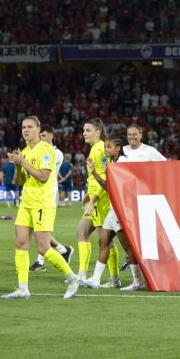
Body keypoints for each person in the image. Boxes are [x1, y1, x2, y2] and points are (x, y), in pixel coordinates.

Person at [1, 116, 96, 299]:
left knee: (44, 247)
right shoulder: (25, 151)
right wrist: (18, 166)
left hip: (42, 203)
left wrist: (23, 163)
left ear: (38, 129)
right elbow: (19, 181)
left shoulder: (46, 150)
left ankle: (73, 278)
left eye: (30, 127)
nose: (26, 130)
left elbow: (43, 176)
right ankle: (22, 288)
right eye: (23, 127)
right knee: (21, 243)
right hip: (26, 203)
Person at [29, 128, 74, 273]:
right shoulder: (40, 150)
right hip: (38, 194)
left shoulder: (56, 153)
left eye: (44, 135)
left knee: (42, 228)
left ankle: (41, 261)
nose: (41, 138)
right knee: (37, 227)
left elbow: (41, 172)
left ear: (51, 136)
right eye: (40, 135)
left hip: (49, 193)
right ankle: (63, 249)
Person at [88, 137, 126, 288]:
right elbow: (108, 187)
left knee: (127, 247)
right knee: (103, 241)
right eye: (105, 147)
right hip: (113, 209)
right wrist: (95, 173)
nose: (106, 149)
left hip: (120, 209)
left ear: (118, 148)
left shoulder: (122, 163)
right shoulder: (111, 164)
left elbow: (114, 188)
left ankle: (137, 281)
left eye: (109, 146)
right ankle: (96, 280)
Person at [76, 118, 110, 281]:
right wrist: (89, 195)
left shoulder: (99, 149)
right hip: (97, 198)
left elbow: (105, 176)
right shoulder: (96, 148)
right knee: (83, 233)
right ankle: (82, 274)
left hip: (101, 201)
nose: (84, 133)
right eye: (83, 130)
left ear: (98, 132)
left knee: (105, 240)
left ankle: (113, 278)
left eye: (88, 130)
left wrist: (93, 200)